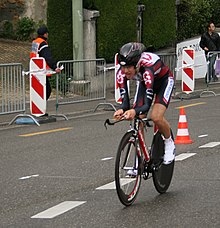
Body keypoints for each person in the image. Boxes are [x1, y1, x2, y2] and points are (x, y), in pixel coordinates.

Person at [114, 42, 175, 165]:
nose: (125, 71)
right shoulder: (121, 73)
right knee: (138, 119)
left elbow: (146, 106)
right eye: (123, 67)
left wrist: (134, 110)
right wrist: (122, 109)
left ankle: (169, 143)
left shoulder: (148, 69)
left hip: (163, 82)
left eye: (129, 67)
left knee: (156, 117)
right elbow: (125, 102)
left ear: (137, 65)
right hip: (144, 83)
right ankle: (139, 159)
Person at [30, 25, 61, 100]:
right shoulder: (43, 43)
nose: (48, 35)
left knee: (39, 90)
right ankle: (40, 109)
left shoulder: (35, 42)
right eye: (47, 33)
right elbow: (48, 57)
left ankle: (38, 110)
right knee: (47, 90)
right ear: (45, 34)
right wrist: (55, 67)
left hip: (34, 69)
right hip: (41, 70)